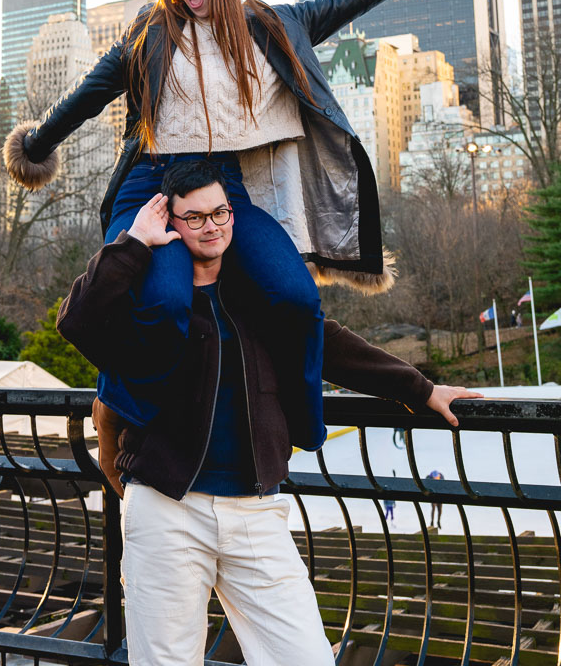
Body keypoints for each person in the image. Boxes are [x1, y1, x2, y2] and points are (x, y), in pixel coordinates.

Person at [4, 0, 449, 423]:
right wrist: (35, 146)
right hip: (153, 186)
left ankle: (302, 417)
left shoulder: (274, 27)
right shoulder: (150, 36)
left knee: (295, 297)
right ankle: (138, 417)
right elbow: (86, 96)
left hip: (224, 189)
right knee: (167, 302)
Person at [57, 159, 482, 665]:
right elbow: (78, 321)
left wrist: (419, 388)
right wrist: (133, 243)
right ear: (172, 221)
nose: (210, 226)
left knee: (305, 657)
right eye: (194, 217)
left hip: (255, 510)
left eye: (220, 213)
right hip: (167, 507)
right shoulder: (149, 303)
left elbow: (327, 343)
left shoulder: (257, 294)